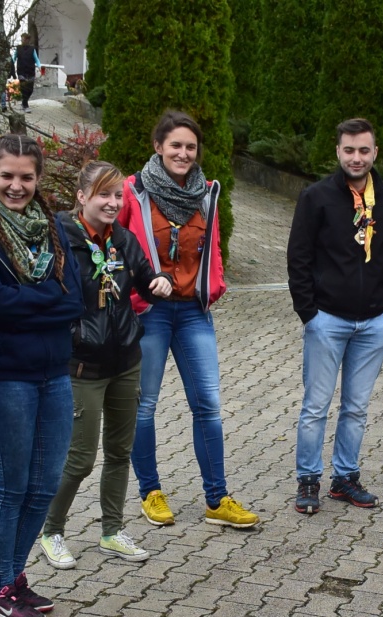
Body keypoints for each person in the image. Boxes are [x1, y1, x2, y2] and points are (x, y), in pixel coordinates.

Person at [0, 133, 85, 617]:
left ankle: (13, 576)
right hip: (6, 375)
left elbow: (75, 299)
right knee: (12, 486)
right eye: (7, 175)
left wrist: (21, 307)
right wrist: (44, 303)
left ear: (38, 178)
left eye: (26, 177)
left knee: (45, 484)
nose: (16, 186)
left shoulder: (51, 225)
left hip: (54, 373)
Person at [119, 110, 260, 530]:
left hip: (193, 313)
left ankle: (217, 499)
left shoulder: (206, 193)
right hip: (150, 312)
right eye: (175, 145)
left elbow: (212, 246)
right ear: (158, 147)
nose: (183, 153)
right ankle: (150, 492)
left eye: (190, 147)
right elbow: (116, 244)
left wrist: (213, 286)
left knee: (208, 405)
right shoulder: (133, 191)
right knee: (144, 405)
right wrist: (133, 290)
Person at [39, 161, 172, 568]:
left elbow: (148, 278)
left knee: (119, 452)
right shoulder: (61, 239)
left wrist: (161, 281)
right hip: (83, 367)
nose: (113, 203)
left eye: (118, 195)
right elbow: (48, 295)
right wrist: (74, 334)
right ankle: (51, 531)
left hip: (126, 360)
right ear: (82, 196)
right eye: (103, 195)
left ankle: (112, 531)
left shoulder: (124, 240)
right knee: (79, 458)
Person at [287, 117, 383, 513]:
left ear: (375, 152)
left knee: (356, 408)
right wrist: (309, 313)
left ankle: (345, 478)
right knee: (316, 407)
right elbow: (298, 257)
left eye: (364, 150)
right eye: (349, 150)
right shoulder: (316, 197)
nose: (356, 158)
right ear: (338, 151)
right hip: (326, 320)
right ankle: (309, 480)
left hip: (373, 323)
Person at [14, 32, 40, 112]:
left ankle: (23, 103)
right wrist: (10, 65)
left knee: (30, 90)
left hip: (30, 71)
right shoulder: (18, 48)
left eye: (24, 39)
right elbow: (13, 58)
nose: (22, 40)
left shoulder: (32, 49)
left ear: (27, 40)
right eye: (22, 39)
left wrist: (39, 66)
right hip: (21, 71)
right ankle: (26, 106)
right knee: (24, 89)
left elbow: (36, 59)